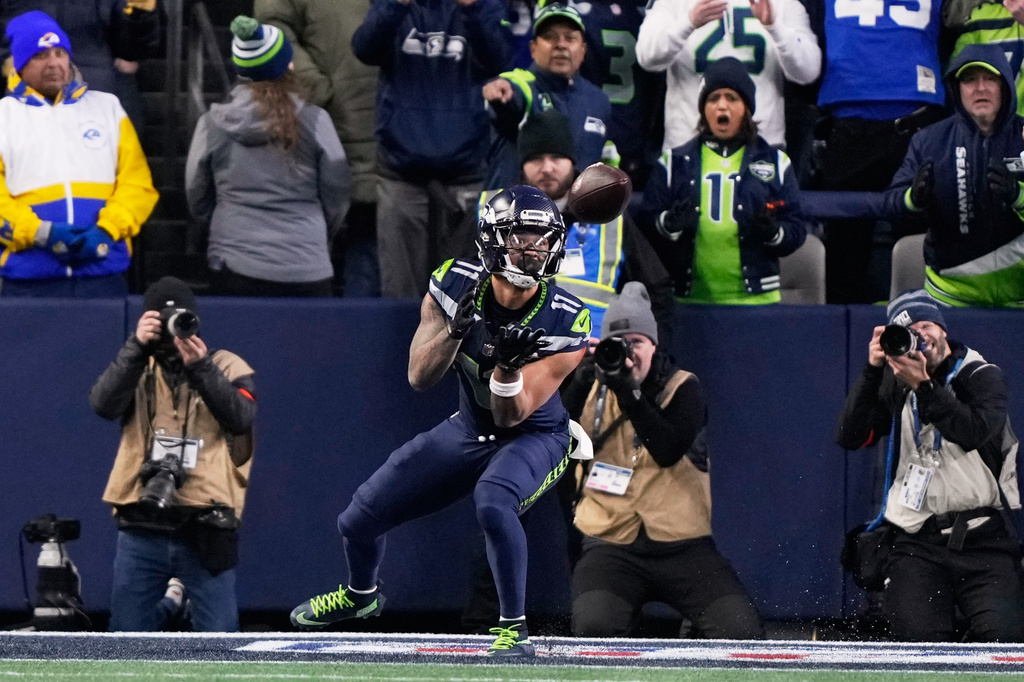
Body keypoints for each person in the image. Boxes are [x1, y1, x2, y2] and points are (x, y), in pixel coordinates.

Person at [289, 185, 591, 657]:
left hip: (536, 435)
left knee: (494, 501)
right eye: (522, 237)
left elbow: (511, 413)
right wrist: (457, 329)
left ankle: (514, 628)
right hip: (469, 428)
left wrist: (508, 369)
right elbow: (418, 376)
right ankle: (360, 596)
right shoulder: (454, 281)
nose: (534, 250)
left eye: (543, 239)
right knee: (358, 518)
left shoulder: (567, 317)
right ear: (493, 238)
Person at [562, 282, 764, 639]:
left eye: (636, 343)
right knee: (595, 629)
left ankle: (695, 627)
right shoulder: (588, 387)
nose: (628, 353)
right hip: (610, 542)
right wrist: (577, 383)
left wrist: (629, 392)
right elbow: (554, 446)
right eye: (618, 344)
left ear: (654, 346)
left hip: (682, 543)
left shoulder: (684, 387)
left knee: (741, 633)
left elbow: (667, 449)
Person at [835, 289, 1024, 642]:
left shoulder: (982, 375)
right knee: (918, 648)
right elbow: (849, 436)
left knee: (1004, 644)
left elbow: (971, 432)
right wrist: (872, 370)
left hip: (982, 539)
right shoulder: (897, 383)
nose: (922, 337)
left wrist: (923, 384)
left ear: (942, 328)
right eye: (909, 331)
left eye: (925, 325)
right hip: (916, 541)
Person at [90, 277, 258, 632]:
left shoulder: (227, 365)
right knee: (126, 638)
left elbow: (241, 417)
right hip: (142, 519)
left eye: (180, 320)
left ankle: (173, 604)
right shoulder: (138, 366)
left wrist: (201, 368)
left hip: (206, 522)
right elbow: (103, 404)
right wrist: (136, 346)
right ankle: (171, 605)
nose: (172, 331)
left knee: (219, 642)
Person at [817, 44, 1024, 308]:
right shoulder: (929, 141)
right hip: (949, 300)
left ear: (1005, 85)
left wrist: (1019, 197)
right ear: (956, 88)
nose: (980, 88)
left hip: (1019, 300)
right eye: (970, 80)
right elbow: (891, 202)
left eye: (990, 79)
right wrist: (913, 198)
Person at [352, 0, 513, 298]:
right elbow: (364, 48)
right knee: (401, 296)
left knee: (466, 295)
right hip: (401, 172)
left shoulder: (482, 5)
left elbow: (502, 58)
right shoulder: (395, 5)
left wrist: (473, 9)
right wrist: (395, 6)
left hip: (466, 172)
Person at [185, 16, 350, 297]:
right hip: (307, 266)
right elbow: (337, 192)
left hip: (233, 264)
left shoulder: (212, 124)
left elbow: (195, 192)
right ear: (289, 66)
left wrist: (222, 221)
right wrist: (314, 228)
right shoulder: (317, 121)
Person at [0, 10, 157, 298]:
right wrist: (40, 232)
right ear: (19, 64)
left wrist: (108, 230)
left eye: (60, 53)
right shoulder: (3, 118)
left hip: (104, 274)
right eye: (40, 55)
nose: (54, 63)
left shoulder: (107, 108)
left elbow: (138, 185)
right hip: (28, 281)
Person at [638, 57, 807, 304]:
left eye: (732, 98)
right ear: (703, 109)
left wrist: (773, 232)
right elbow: (646, 227)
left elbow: (797, 228)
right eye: (713, 98)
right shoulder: (673, 163)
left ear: (747, 107)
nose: (722, 106)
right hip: (689, 300)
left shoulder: (777, 163)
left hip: (758, 301)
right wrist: (668, 224)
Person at [814, 0, 945, 303]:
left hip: (918, 130)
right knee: (844, 258)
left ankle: (929, 337)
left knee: (925, 251)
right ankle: (841, 344)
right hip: (850, 130)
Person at [255, 0, 382, 296]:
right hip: (324, 118)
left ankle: (360, 335)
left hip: (389, 121)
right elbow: (272, 24)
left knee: (370, 236)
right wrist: (313, 85)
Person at [635, 0, 820, 152]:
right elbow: (647, 57)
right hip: (687, 146)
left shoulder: (783, 3)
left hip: (762, 147)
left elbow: (808, 71)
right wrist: (687, 24)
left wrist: (775, 28)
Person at [483, 3, 614, 189]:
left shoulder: (599, 101)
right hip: (513, 210)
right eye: (549, 37)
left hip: (575, 214)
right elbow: (510, 97)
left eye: (569, 38)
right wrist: (500, 95)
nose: (560, 45)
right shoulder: (521, 84)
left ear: (583, 50)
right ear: (533, 49)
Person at [1, 1, 162, 131]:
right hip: (27, 97)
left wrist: (140, 13)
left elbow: (135, 48)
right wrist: (5, 61)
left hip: (99, 98)